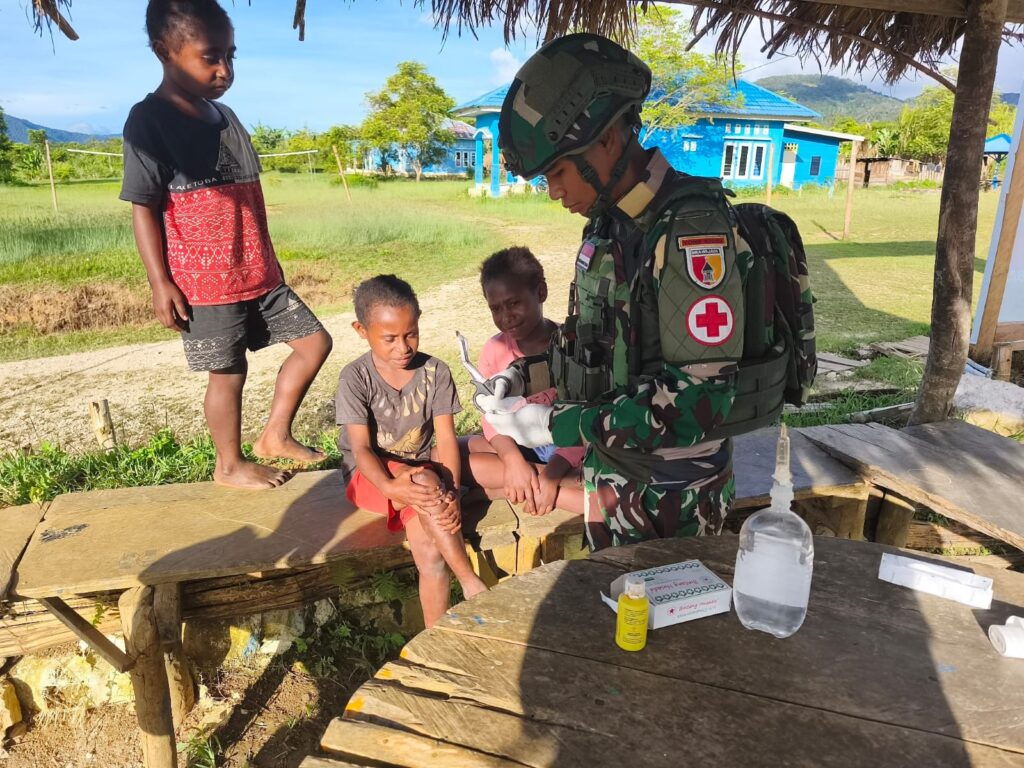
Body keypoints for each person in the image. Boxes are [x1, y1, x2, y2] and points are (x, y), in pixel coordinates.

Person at [481, 33, 753, 550]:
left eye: (559, 171)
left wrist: (557, 424)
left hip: (673, 494)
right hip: (612, 477)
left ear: (606, 140)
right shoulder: (608, 226)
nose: (554, 191)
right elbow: (600, 348)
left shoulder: (689, 230)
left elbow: (698, 399)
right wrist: (524, 375)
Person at [120, 0, 332, 490]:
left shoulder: (226, 115)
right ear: (164, 52)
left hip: (259, 272)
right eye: (210, 57)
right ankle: (229, 464)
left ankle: (275, 435)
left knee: (314, 343)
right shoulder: (148, 120)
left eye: (231, 56)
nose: (225, 70)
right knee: (228, 373)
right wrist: (159, 282)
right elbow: (143, 207)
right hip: (206, 282)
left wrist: (269, 261)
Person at [336, 275, 488, 628]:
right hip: (369, 476)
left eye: (411, 334)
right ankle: (470, 582)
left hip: (419, 476)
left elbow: (446, 440)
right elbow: (361, 448)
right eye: (389, 338)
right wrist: (390, 487)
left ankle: (435, 639)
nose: (403, 347)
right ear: (361, 330)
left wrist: (451, 493)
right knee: (424, 481)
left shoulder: (436, 371)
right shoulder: (355, 377)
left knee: (430, 551)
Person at [460, 247, 584, 516]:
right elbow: (490, 419)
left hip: (567, 453)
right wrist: (513, 460)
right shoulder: (494, 350)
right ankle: (528, 479)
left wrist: (551, 477)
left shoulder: (572, 348)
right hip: (519, 446)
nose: (506, 317)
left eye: (514, 303)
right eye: (496, 308)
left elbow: (582, 423)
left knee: (599, 501)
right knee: (448, 454)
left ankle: (536, 487)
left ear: (541, 292)